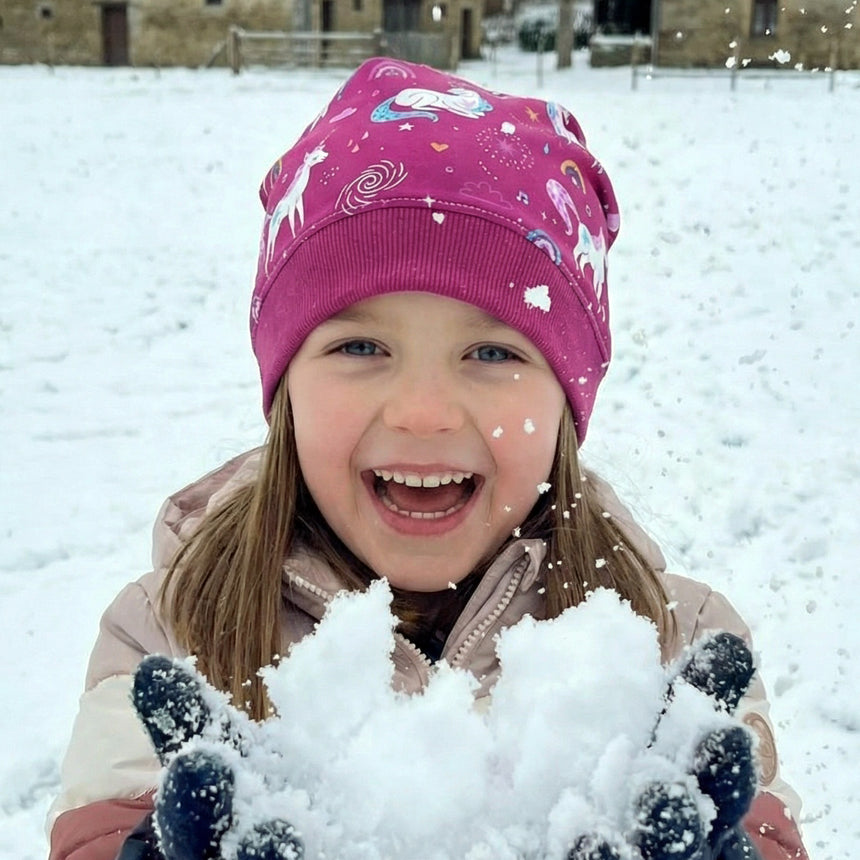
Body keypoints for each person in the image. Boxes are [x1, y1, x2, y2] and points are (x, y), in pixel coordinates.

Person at [47, 58, 808, 860]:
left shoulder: (672, 644)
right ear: (285, 392)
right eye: (361, 345)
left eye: (490, 351)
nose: (423, 412)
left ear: (565, 402)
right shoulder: (173, 632)